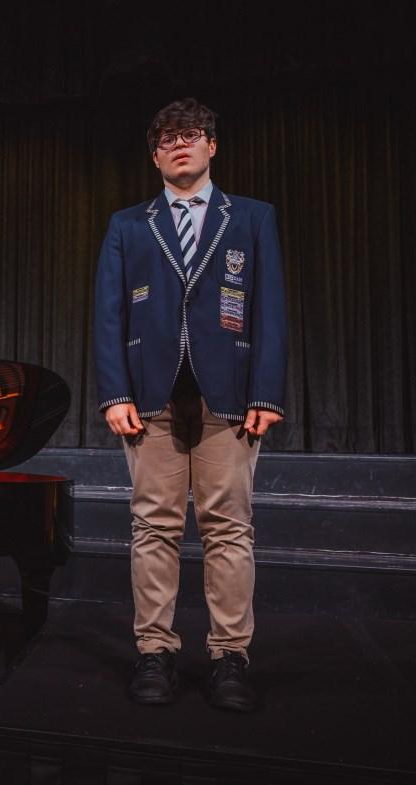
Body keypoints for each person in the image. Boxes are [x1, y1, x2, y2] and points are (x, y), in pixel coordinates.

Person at [92, 98, 287, 712]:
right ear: (155, 156)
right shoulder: (128, 225)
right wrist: (115, 393)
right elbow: (108, 315)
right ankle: (155, 651)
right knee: (153, 526)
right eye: (167, 138)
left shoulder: (252, 217)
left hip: (228, 397)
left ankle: (230, 657)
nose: (179, 143)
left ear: (211, 146)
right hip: (148, 398)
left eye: (191, 134)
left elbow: (269, 309)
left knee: (228, 527)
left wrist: (267, 393)